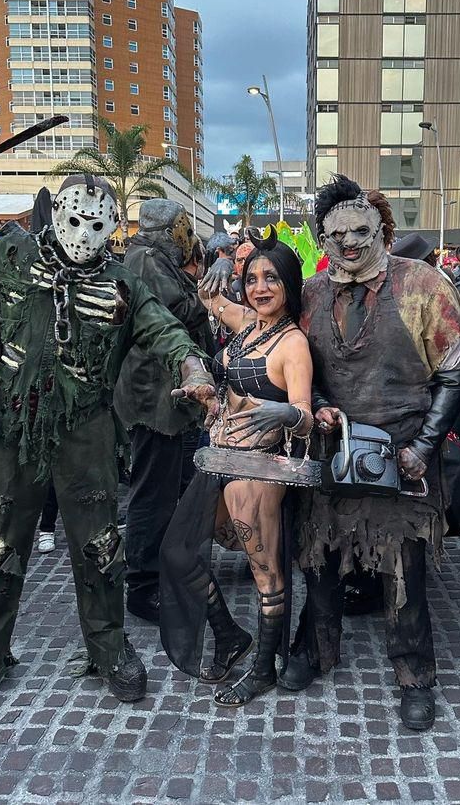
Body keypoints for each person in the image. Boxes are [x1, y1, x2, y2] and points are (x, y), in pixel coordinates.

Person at [0, 174, 215, 717]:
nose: (84, 232)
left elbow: (164, 329)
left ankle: (107, 644)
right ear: (56, 214)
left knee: (99, 542)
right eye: (76, 219)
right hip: (10, 429)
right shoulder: (5, 258)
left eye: (97, 223)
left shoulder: (121, 284)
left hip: (86, 432)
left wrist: (191, 364)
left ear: (113, 227)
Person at [278, 175, 460, 733]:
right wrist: (314, 404)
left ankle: (414, 673)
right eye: (338, 234)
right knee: (318, 556)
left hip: (404, 454)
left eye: (362, 231)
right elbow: (292, 358)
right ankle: (314, 648)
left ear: (380, 229)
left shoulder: (424, 287)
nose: (351, 242)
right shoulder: (312, 294)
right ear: (323, 237)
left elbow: (456, 373)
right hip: (330, 454)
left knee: (404, 568)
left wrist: (422, 447)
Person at [160, 228, 314, 708]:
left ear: (290, 284)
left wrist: (285, 413)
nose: (260, 287)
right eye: (253, 279)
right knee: (180, 552)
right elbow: (206, 296)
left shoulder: (292, 345)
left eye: (272, 279)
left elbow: (306, 415)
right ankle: (229, 635)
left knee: (265, 572)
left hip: (257, 467)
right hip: (218, 457)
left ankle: (265, 667)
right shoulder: (248, 324)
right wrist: (219, 265)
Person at [113, 198, 214, 625]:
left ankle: (164, 572)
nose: (186, 236)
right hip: (155, 399)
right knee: (152, 494)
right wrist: (207, 297)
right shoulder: (147, 259)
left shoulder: (147, 257)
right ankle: (143, 585)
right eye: (183, 227)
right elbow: (172, 312)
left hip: (166, 396)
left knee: (169, 487)